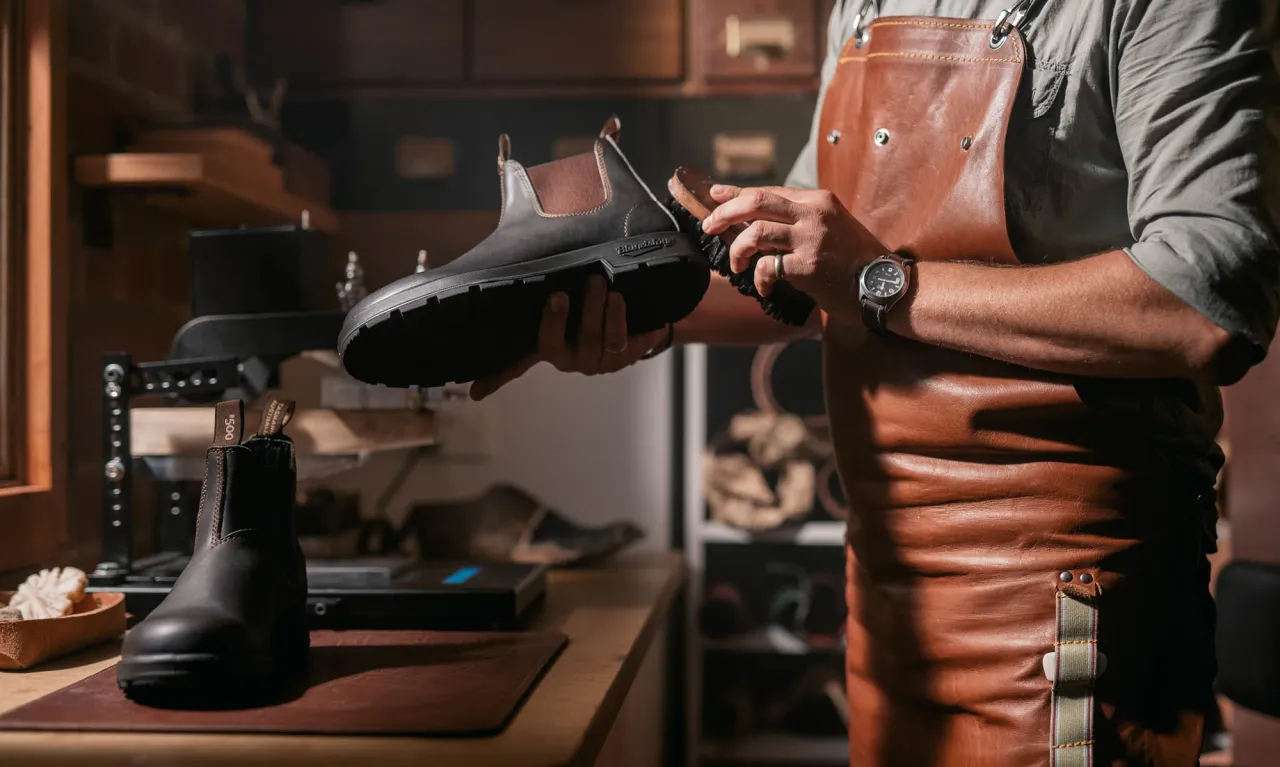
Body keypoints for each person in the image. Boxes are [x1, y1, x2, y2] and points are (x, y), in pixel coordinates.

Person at [470, 1, 1279, 764]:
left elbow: (1207, 298)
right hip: (888, 596)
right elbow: (804, 275)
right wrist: (641, 319)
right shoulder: (861, 8)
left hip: (1067, 602)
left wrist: (881, 281)